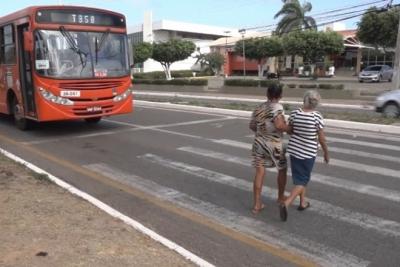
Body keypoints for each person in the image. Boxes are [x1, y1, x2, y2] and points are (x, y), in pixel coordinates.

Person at [279, 90, 329, 222]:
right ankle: (287, 202)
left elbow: (290, 131)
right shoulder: (317, 116)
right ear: (317, 103)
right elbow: (322, 139)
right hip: (308, 153)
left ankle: (302, 203)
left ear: (304, 100)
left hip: (294, 151)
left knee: (299, 178)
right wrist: (326, 153)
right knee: (303, 180)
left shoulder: (295, 113)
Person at [249, 83, 290, 215]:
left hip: (258, 142)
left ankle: (257, 205)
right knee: (282, 169)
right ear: (280, 96)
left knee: (259, 173)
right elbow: (279, 125)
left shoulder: (259, 107)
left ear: (267, 94)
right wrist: (290, 128)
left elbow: (252, 126)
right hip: (274, 144)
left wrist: (262, 131)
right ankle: (280, 197)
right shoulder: (277, 107)